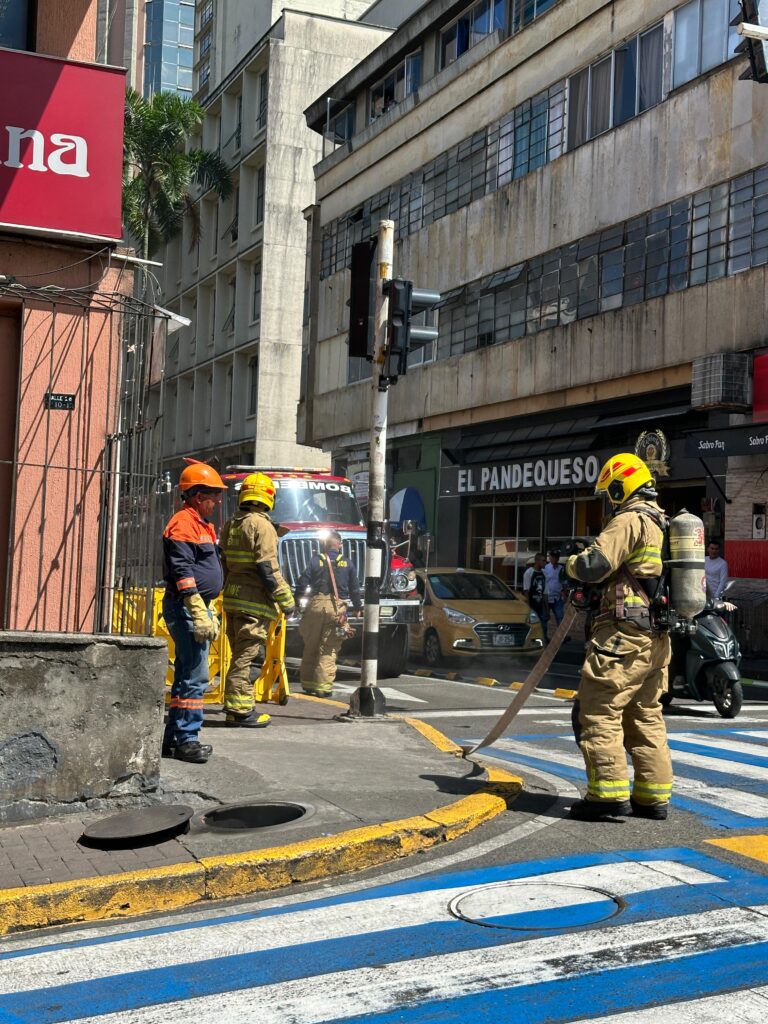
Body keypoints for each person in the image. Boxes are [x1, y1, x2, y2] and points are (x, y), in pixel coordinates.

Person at [565, 452, 673, 822]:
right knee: (645, 715)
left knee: (598, 710)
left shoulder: (629, 519)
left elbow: (595, 565)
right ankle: (652, 797)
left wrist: (571, 562)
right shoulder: (665, 521)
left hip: (623, 636)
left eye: (610, 491)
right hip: (656, 638)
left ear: (619, 485)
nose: (609, 499)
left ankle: (606, 795)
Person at [161, 462, 227, 764]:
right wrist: (198, 610)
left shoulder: (201, 524)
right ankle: (187, 740)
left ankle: (174, 739)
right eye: (214, 495)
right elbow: (182, 570)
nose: (218, 501)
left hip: (195, 605)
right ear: (198, 495)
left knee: (188, 674)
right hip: (186, 605)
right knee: (195, 676)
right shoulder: (183, 523)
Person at [220, 472, 295, 727]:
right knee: (249, 656)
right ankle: (240, 712)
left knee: (240, 654)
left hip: (232, 599)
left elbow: (224, 564)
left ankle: (235, 708)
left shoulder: (231, 523)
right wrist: (287, 600)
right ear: (269, 497)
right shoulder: (262, 525)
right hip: (254, 602)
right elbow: (267, 568)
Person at [295, 531, 362, 697]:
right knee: (328, 649)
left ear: (324, 545)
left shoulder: (315, 561)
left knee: (311, 645)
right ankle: (323, 687)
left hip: (315, 606)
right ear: (340, 545)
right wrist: (358, 607)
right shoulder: (348, 563)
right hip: (336, 609)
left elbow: (302, 582)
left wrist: (297, 601)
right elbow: (354, 588)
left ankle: (308, 683)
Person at [522, 553, 549, 640]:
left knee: (544, 626)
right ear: (537, 561)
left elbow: (545, 593)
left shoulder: (544, 574)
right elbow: (526, 591)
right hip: (532, 605)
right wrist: (529, 608)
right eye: (543, 560)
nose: (545, 562)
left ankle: (544, 642)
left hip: (541, 605)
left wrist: (547, 609)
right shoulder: (529, 572)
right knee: (533, 627)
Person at [544, 550, 566, 626]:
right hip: (547, 597)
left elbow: (564, 582)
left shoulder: (562, 569)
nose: (554, 558)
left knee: (560, 617)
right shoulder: (545, 568)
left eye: (556, 557)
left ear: (558, 558)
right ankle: (544, 637)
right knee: (544, 617)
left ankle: (561, 637)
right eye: (552, 557)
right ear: (549, 557)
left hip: (557, 598)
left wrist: (564, 593)